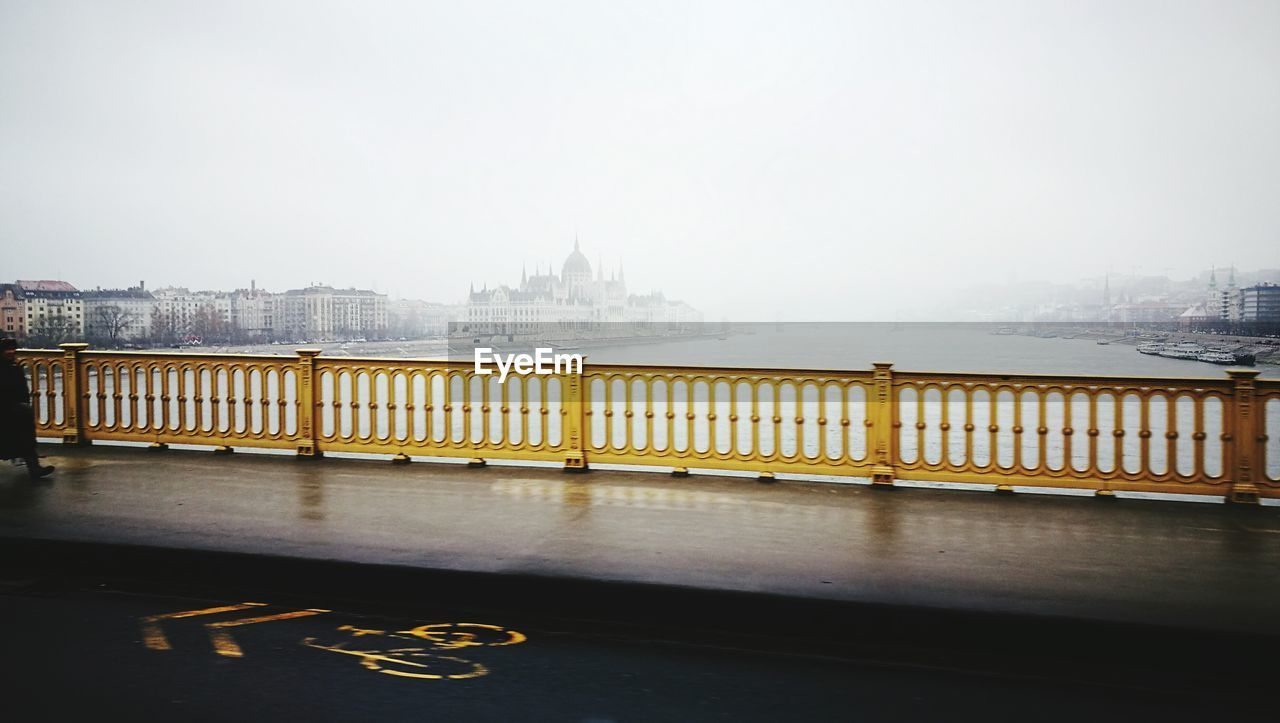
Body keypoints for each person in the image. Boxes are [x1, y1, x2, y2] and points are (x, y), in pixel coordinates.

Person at [0, 338, 54, 480]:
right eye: (7, 349)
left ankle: (34, 468)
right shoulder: (11, 367)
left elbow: (23, 390)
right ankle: (34, 468)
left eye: (13, 349)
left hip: (15, 410)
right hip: (8, 410)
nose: (11, 352)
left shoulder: (14, 366)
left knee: (25, 438)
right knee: (23, 437)